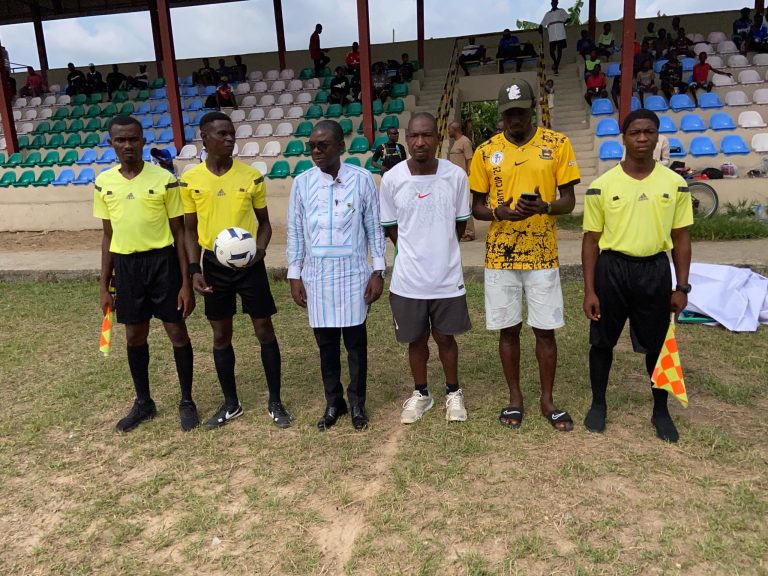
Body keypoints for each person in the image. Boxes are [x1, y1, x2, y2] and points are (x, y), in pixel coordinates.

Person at [469, 79, 580, 432]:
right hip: (500, 255)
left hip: (542, 254)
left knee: (545, 330)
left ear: (532, 108)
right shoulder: (485, 152)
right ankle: (515, 398)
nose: (513, 119)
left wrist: (544, 206)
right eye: (507, 113)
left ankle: (547, 400)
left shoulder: (557, 144)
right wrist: (500, 212)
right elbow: (476, 208)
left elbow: (569, 201)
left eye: (519, 111)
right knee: (508, 329)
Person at [581, 108, 693, 443]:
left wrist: (682, 286)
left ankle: (660, 411)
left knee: (658, 347)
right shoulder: (603, 186)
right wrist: (590, 289)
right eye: (635, 133)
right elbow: (590, 241)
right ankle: (598, 403)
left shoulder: (675, 184)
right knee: (601, 342)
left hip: (654, 271)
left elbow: (681, 238)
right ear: (624, 138)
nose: (642, 139)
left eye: (648, 132)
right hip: (612, 270)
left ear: (658, 136)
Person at [181, 111, 291, 429]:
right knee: (220, 335)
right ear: (204, 137)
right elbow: (189, 230)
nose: (230, 139)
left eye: (232, 134)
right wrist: (193, 269)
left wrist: (260, 251)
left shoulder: (250, 176)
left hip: (249, 266)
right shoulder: (190, 179)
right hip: (213, 266)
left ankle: (276, 402)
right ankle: (231, 404)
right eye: (222, 134)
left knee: (264, 330)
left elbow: (266, 224)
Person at [93, 115, 197, 432]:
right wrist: (103, 286)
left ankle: (187, 400)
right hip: (127, 267)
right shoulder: (103, 183)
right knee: (134, 335)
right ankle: (144, 402)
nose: (128, 145)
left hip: (163, 263)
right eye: (120, 140)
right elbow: (108, 236)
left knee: (176, 332)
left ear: (143, 140)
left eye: (133, 139)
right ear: (111, 143)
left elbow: (179, 233)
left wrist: (185, 283)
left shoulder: (164, 179)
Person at [287, 120, 386, 431]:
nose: (316, 151)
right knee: (326, 344)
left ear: (341, 146)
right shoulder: (301, 183)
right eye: (312, 146)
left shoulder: (362, 179)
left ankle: (357, 401)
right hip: (317, 276)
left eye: (323, 145)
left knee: (355, 344)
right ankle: (334, 401)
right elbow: (295, 232)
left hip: (354, 274)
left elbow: (374, 226)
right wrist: (294, 274)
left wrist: (378, 270)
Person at [380, 112, 472, 425]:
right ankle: (421, 393)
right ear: (407, 140)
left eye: (427, 135)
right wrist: (413, 253)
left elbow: (459, 226)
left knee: (446, 338)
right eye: (414, 136)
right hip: (408, 280)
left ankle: (453, 392)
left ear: (438, 138)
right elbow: (391, 229)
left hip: (446, 278)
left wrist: (440, 251)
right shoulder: (392, 179)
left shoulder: (456, 177)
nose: (420, 142)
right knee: (415, 340)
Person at [447, 121, 475, 241]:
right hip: (455, 180)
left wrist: (468, 177)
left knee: (466, 205)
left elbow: (470, 159)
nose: (448, 132)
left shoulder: (465, 141)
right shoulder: (456, 143)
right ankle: (461, 231)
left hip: (463, 179)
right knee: (457, 205)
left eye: (449, 130)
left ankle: (469, 232)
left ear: (455, 129)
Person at [540, 0, 569, 75]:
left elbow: (569, 18)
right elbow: (542, 24)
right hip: (552, 35)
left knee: (559, 51)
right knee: (551, 51)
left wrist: (563, 23)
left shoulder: (561, 11)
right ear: (551, 4)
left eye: (555, 2)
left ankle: (556, 67)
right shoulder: (547, 14)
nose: (554, 3)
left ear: (557, 3)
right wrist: (540, 28)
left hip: (561, 34)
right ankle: (556, 63)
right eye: (553, 2)